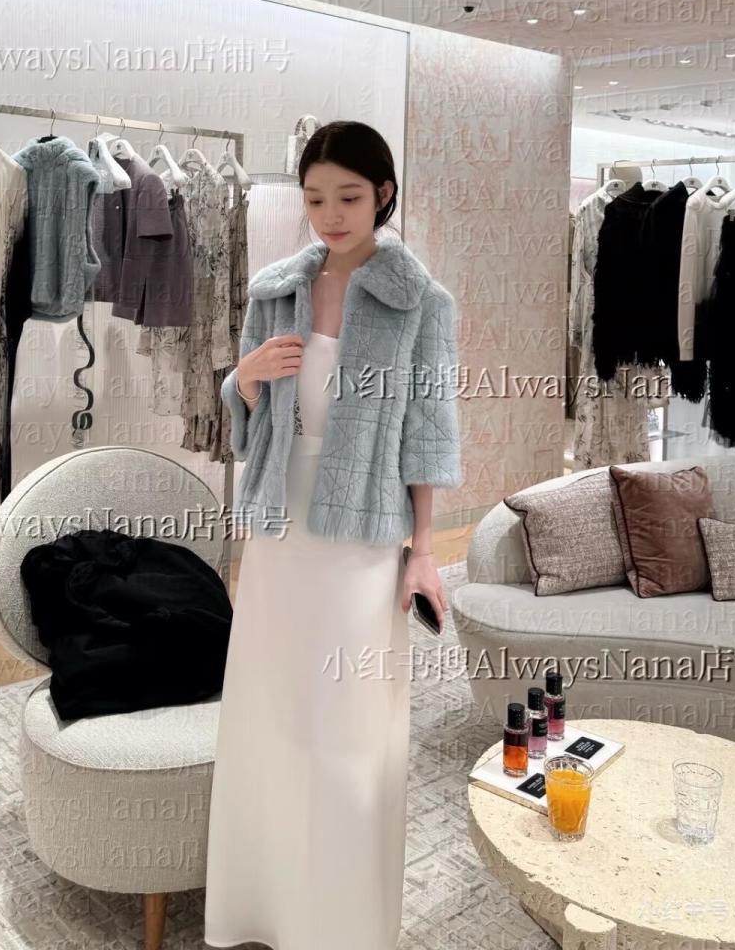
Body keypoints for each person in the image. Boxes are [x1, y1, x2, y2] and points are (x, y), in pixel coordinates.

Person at [203, 120, 463, 950]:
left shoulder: (421, 301)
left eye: (349, 197)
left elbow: (429, 436)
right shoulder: (274, 290)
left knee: (347, 726)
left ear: (383, 193)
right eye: (315, 199)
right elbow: (246, 428)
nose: (331, 215)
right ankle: (261, 910)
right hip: (278, 530)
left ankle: (340, 925)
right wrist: (243, 380)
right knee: (270, 710)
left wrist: (423, 554)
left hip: (362, 538)